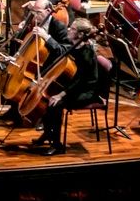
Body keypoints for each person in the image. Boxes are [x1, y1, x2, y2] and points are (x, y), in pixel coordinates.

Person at [31, 17, 105, 156]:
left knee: (56, 104)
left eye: (72, 29)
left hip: (86, 91)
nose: (69, 30)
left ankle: (57, 145)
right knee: (47, 97)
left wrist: (61, 94)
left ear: (81, 35)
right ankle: (48, 134)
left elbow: (81, 81)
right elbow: (61, 56)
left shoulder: (86, 53)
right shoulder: (75, 45)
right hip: (74, 87)